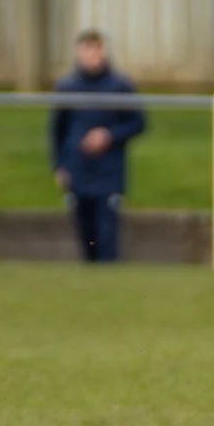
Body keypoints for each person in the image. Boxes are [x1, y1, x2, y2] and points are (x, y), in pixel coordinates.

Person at [48, 30, 146, 263]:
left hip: (109, 171)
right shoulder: (68, 86)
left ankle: (109, 280)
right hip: (79, 169)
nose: (93, 55)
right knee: (85, 231)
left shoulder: (120, 85)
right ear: (79, 52)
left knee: (107, 233)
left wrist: (109, 135)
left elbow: (138, 123)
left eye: (97, 49)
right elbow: (57, 130)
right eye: (87, 50)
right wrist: (60, 165)